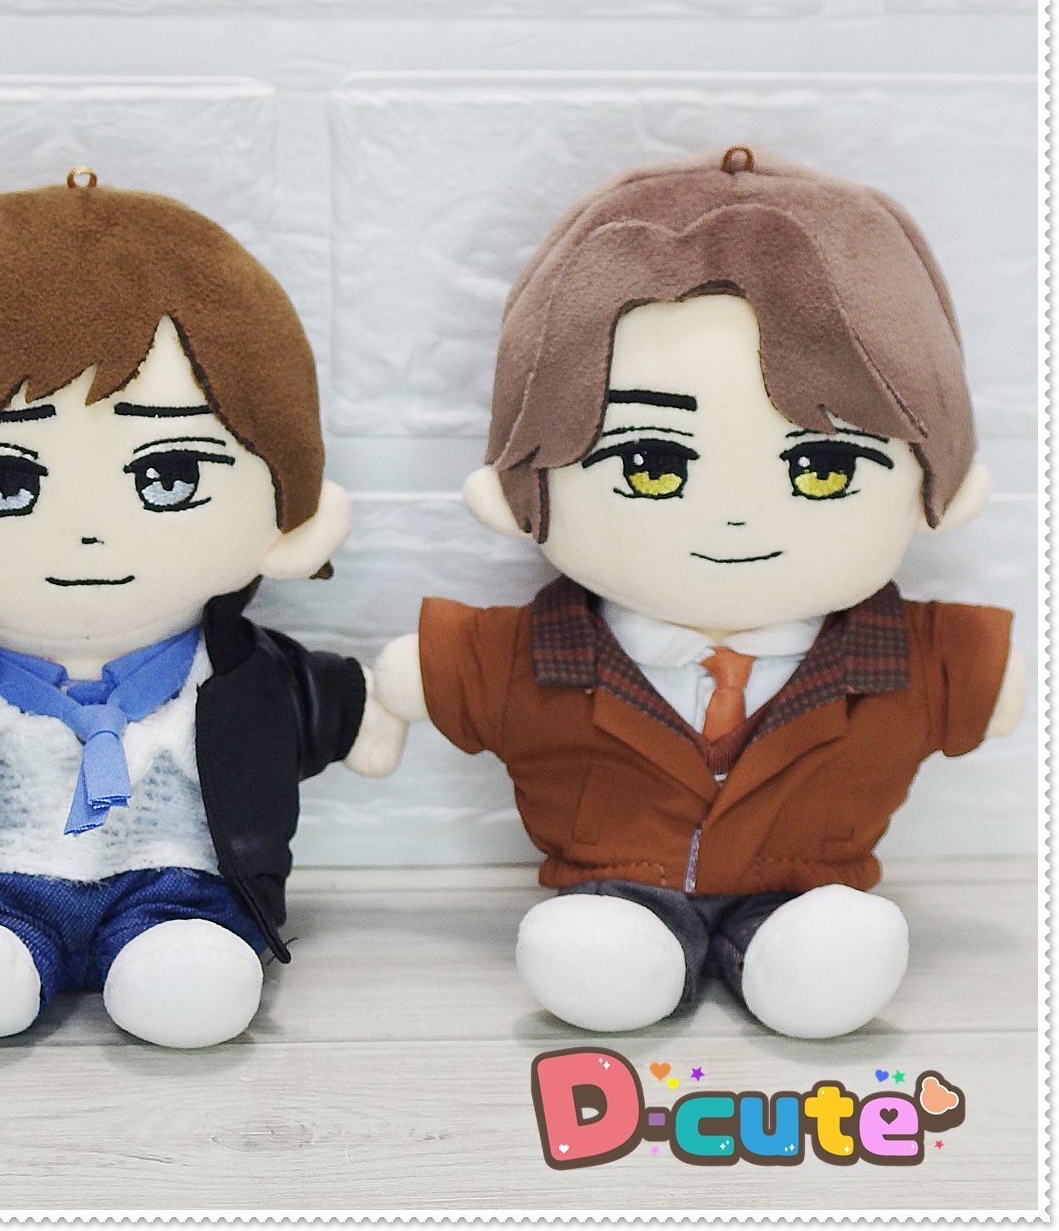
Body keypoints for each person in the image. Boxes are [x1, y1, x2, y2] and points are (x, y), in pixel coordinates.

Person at [376, 146, 1024, 1039]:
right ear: (523, 487)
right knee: (601, 951)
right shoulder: (531, 655)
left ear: (935, 485)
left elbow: (998, 690)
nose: (734, 516)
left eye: (825, 468)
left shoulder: (920, 661)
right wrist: (375, 705)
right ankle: (625, 950)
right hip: (615, 887)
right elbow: (414, 677)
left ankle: (807, 954)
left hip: (807, 891)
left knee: (827, 950)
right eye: (650, 464)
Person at [0, 171, 407, 1048]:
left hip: (184, 887)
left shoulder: (239, 673)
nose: (90, 533)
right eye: (3, 480)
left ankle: (176, 960)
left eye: (169, 475)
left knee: (188, 974)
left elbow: (311, 704)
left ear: (287, 517)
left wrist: (368, 709)